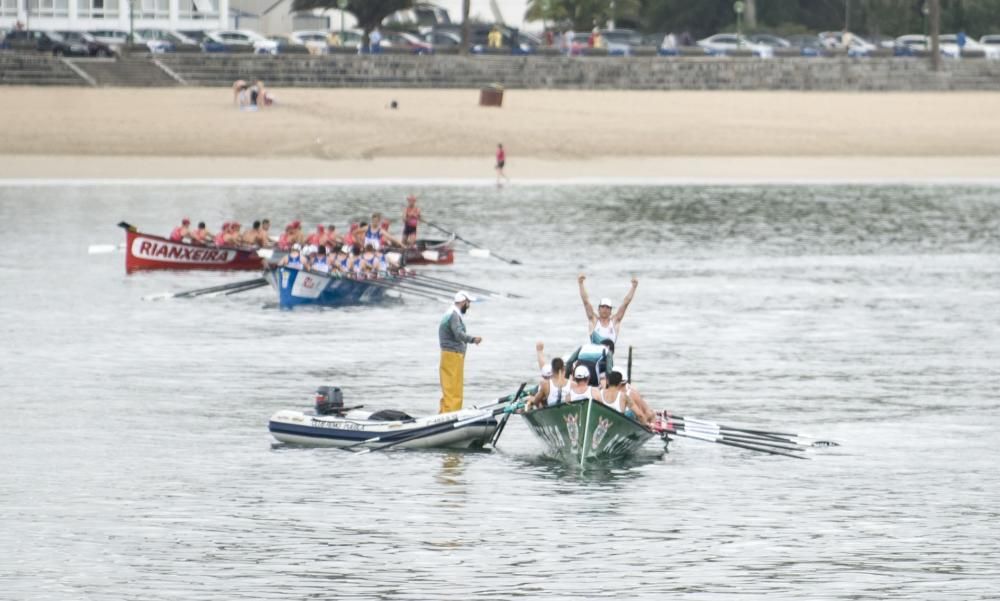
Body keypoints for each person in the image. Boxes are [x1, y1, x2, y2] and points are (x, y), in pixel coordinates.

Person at [438, 291, 482, 413]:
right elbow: (458, 334)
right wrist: (473, 339)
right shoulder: (454, 316)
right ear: (463, 302)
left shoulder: (451, 313)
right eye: (468, 303)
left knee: (451, 387)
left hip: (451, 355)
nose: (468, 306)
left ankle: (445, 412)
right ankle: (450, 414)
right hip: (452, 355)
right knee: (453, 388)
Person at [578, 274, 638, 345]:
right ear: (599, 309)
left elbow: (625, 303)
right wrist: (580, 284)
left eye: (607, 307)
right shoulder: (593, 320)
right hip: (595, 353)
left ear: (610, 311)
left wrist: (634, 287)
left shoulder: (615, 321)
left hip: (608, 353)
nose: (605, 309)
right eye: (603, 307)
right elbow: (586, 302)